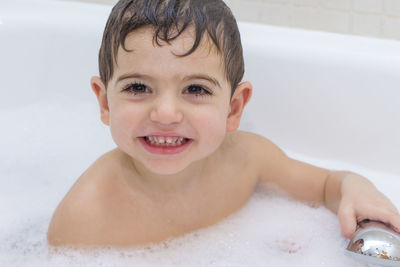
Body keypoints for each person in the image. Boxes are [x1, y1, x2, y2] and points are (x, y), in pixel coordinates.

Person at [47, 0, 400, 247]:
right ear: (105, 101)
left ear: (233, 108)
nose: (166, 114)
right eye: (138, 87)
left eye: (195, 89)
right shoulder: (85, 216)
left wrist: (356, 186)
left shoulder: (248, 158)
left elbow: (325, 186)